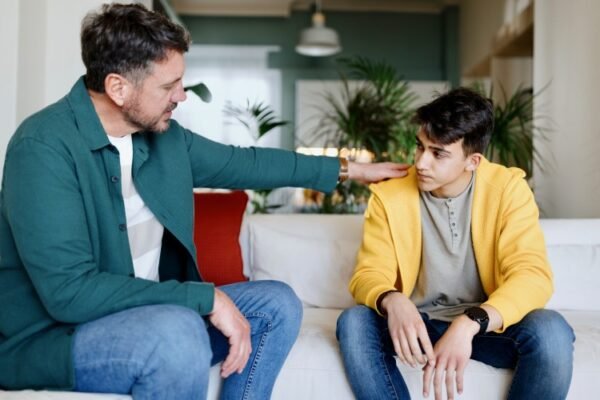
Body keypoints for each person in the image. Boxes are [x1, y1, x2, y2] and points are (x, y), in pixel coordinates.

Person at [0, 3, 409, 399]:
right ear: (118, 88)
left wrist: (350, 169)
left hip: (155, 315)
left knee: (277, 303)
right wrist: (205, 298)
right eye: (168, 86)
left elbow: (245, 163)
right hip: (57, 338)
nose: (181, 96)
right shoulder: (43, 147)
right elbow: (70, 293)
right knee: (176, 336)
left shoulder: (162, 139)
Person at [336, 87, 575, 400]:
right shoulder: (389, 195)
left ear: (472, 161)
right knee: (354, 322)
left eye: (438, 154)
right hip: (417, 327)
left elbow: (532, 276)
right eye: (420, 147)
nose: (421, 163)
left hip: (484, 328)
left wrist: (470, 322)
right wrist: (393, 300)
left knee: (552, 331)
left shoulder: (508, 190)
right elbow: (368, 273)